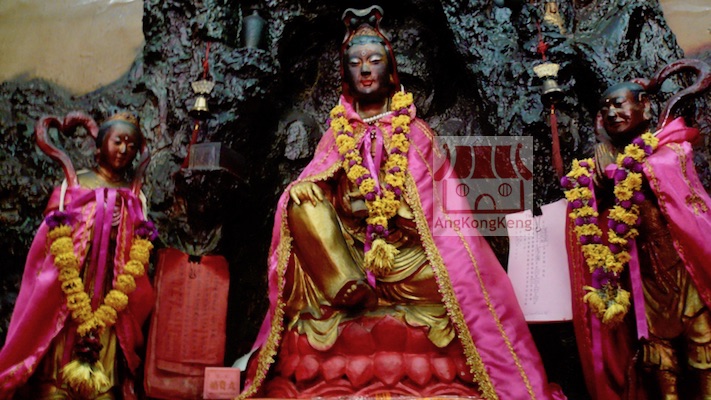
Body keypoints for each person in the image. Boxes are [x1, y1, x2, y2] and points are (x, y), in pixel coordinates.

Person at [238, 6, 565, 399]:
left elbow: (440, 214)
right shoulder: (334, 136)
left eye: (374, 61)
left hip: (405, 262)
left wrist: (395, 211)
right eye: (355, 63)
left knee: (447, 292)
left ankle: (362, 300)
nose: (365, 70)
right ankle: (346, 288)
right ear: (345, 75)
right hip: (349, 256)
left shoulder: (415, 132)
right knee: (298, 200)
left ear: (390, 70)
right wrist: (330, 200)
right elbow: (318, 193)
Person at [563, 60, 711, 399]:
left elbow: (669, 175)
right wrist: (600, 168)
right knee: (658, 353)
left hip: (680, 262)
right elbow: (587, 195)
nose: (612, 113)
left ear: (644, 106)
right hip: (642, 270)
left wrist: (623, 170)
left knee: (703, 342)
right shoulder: (604, 160)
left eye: (619, 104)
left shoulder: (670, 146)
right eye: (605, 109)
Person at [0, 111, 156, 399]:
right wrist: (94, 218)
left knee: (107, 337)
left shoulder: (133, 194)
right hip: (72, 282)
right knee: (60, 331)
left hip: (111, 286)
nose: (124, 149)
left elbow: (140, 240)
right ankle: (54, 384)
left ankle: (101, 386)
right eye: (118, 141)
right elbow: (53, 227)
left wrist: (121, 227)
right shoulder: (76, 183)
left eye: (132, 145)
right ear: (100, 145)